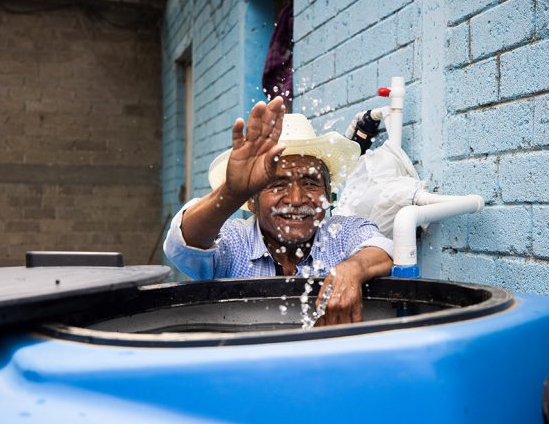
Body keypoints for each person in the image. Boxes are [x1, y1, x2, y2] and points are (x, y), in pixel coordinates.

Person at [163, 96, 393, 326]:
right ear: (252, 201)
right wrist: (231, 194)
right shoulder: (235, 242)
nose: (296, 199)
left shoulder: (340, 233)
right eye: (278, 185)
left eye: (310, 183)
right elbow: (181, 245)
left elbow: (385, 249)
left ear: (327, 193)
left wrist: (351, 269)